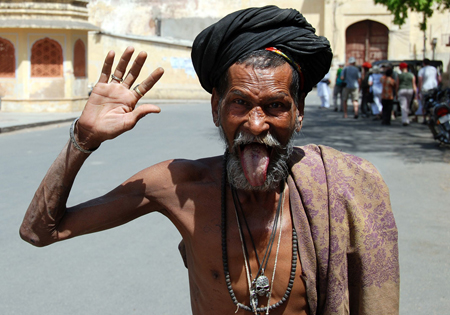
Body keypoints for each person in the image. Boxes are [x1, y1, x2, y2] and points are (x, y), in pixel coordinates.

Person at [20, 6, 399, 315]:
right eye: (239, 103)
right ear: (216, 108)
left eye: (276, 107)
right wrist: (82, 140)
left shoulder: (340, 188)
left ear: (299, 112)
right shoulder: (178, 186)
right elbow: (40, 231)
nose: (255, 123)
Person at [417, 58, 441, 123]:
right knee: (433, 103)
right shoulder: (434, 69)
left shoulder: (421, 70)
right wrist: (437, 85)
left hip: (425, 88)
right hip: (434, 88)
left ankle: (424, 118)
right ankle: (431, 118)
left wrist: (419, 91)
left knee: (424, 103)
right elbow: (439, 79)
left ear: (423, 63)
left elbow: (420, 81)